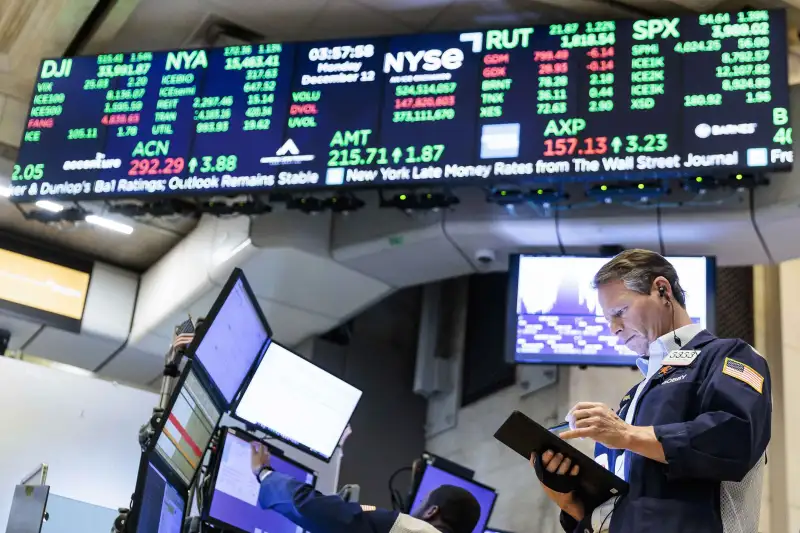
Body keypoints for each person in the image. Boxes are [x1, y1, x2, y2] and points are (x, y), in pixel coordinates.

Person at [533, 249, 771, 533]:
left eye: (619, 312)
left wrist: (627, 436)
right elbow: (622, 510)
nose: (614, 329)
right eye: (608, 319)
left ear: (662, 289)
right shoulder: (631, 400)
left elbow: (736, 436)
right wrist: (570, 501)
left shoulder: (727, 355)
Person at [250, 442, 482, 533]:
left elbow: (310, 508)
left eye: (423, 502)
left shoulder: (411, 530)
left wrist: (265, 473)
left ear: (432, 512)